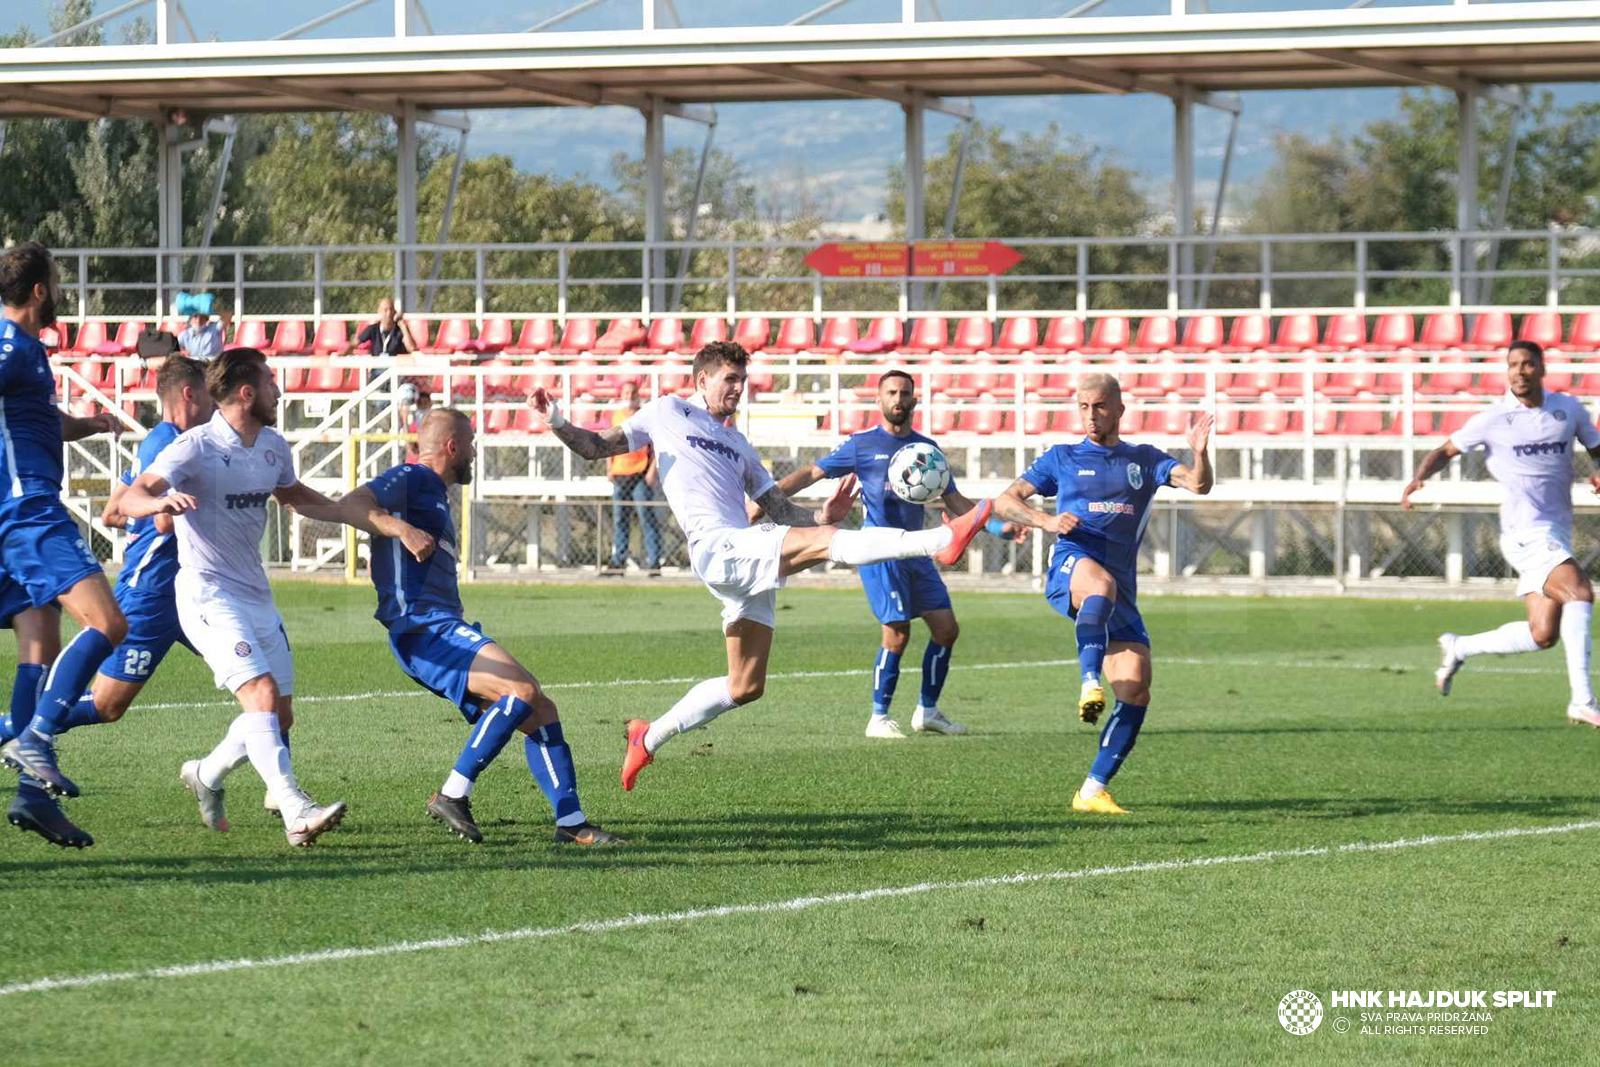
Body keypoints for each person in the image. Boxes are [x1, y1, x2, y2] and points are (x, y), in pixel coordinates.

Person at [529, 340, 994, 792]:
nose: (738, 388)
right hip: (718, 547)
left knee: (746, 685)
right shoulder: (667, 411)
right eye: (729, 379)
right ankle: (939, 539)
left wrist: (819, 517)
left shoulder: (738, 443)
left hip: (743, 554)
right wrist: (555, 419)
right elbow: (594, 447)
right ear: (702, 379)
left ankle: (647, 737)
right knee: (828, 544)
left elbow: (776, 506)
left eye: (743, 380)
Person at [293, 408, 624, 845]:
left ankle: (572, 823)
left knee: (541, 710)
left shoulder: (432, 492)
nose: (473, 452)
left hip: (439, 627)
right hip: (423, 628)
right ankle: (453, 793)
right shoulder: (414, 479)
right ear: (452, 448)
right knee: (521, 692)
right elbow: (352, 505)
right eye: (469, 444)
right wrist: (401, 529)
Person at [118, 348, 395, 846]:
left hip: (255, 596)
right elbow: (128, 498)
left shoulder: (272, 445)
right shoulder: (195, 447)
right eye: (270, 382)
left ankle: (206, 772)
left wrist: (352, 513)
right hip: (206, 593)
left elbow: (293, 496)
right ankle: (295, 809)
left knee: (278, 715)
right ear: (247, 392)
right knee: (261, 697)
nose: (278, 390)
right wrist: (160, 501)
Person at [0, 358, 212, 835]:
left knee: (261, 675)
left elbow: (115, 512)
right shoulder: (170, 443)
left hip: (194, 587)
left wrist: (86, 425)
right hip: (151, 591)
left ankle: (273, 789)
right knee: (105, 693)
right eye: (211, 394)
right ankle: (26, 733)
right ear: (189, 395)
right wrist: (164, 507)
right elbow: (142, 514)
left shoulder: (169, 441)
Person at [993, 373, 1213, 815]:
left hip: (1120, 590)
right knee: (1100, 585)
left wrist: (1199, 452)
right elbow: (1005, 500)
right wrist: (1046, 522)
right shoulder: (1063, 457)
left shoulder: (1144, 459)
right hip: (1072, 568)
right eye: (1083, 407)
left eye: (1098, 406)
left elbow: (1199, 484)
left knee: (1136, 690)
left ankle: (1091, 791)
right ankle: (1088, 682)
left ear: (1118, 408)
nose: (1090, 415)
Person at [768, 369, 1019, 738]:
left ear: (915, 400)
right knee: (897, 634)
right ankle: (878, 717)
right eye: (891, 392)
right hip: (879, 551)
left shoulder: (926, 452)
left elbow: (956, 503)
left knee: (947, 630)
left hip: (917, 550)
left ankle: (928, 712)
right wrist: (768, 497)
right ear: (879, 399)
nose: (898, 399)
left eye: (904, 393)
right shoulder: (861, 446)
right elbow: (811, 472)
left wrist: (996, 527)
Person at [0, 241, 129, 849]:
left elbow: (37, 420)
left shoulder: (27, 355)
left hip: (18, 515)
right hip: (29, 515)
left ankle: (33, 797)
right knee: (108, 623)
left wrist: (89, 425)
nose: (62, 291)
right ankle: (35, 739)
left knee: (41, 645)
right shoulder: (10, 344)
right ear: (40, 291)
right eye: (57, 280)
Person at [1403, 340, 1600, 726]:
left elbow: (1596, 445)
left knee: (1543, 634)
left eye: (1527, 364)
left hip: (1555, 531)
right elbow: (1446, 449)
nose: (1519, 371)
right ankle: (1583, 700)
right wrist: (1418, 478)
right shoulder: (1493, 418)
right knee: (1579, 591)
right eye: (1512, 364)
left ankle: (1459, 647)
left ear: (1542, 369)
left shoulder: (1568, 410)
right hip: (1523, 533)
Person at [604, 379, 662, 576]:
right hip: (621, 473)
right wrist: (609, 467)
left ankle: (654, 562)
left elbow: (656, 447)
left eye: (632, 393)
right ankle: (618, 561)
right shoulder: (617, 416)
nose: (629, 397)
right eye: (625, 393)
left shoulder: (644, 416)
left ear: (638, 395)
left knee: (646, 517)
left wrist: (652, 470)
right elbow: (609, 443)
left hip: (640, 473)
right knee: (620, 518)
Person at [346, 295, 418, 361]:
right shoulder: (373, 329)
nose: (389, 313)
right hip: (378, 368)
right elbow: (355, 344)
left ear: (395, 312)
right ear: (379, 311)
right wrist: (343, 353)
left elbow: (411, 348)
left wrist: (403, 326)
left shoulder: (400, 330)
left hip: (395, 369)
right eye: (385, 310)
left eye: (391, 309)